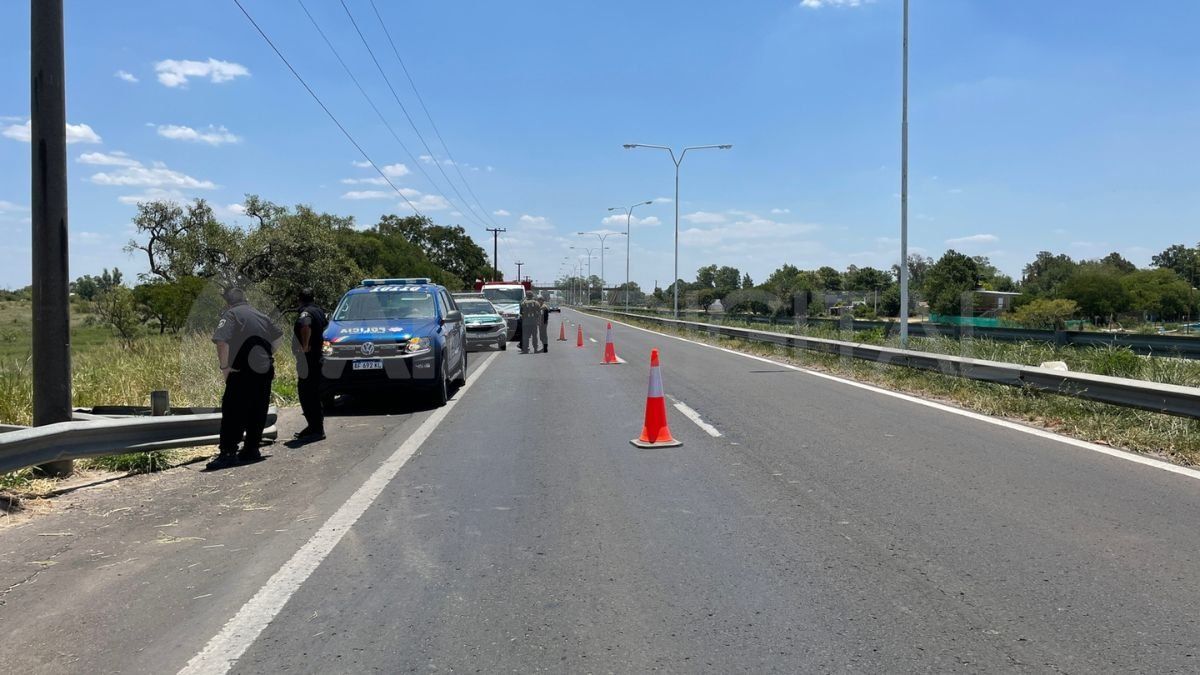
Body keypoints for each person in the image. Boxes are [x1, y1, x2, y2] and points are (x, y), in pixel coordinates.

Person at [208, 287, 283, 471]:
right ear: (245, 299)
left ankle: (228, 453)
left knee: (233, 411)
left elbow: (221, 341)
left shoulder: (231, 314)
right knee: (257, 409)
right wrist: (267, 354)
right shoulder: (261, 315)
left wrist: (225, 367)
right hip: (264, 370)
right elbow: (279, 335)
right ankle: (251, 449)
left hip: (242, 371)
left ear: (228, 302)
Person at [292, 288, 328, 442]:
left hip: (308, 360)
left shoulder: (306, 313)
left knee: (307, 395)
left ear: (300, 299)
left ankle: (317, 429)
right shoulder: (319, 311)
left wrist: (305, 345)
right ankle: (313, 426)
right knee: (313, 394)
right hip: (317, 358)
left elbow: (305, 325)